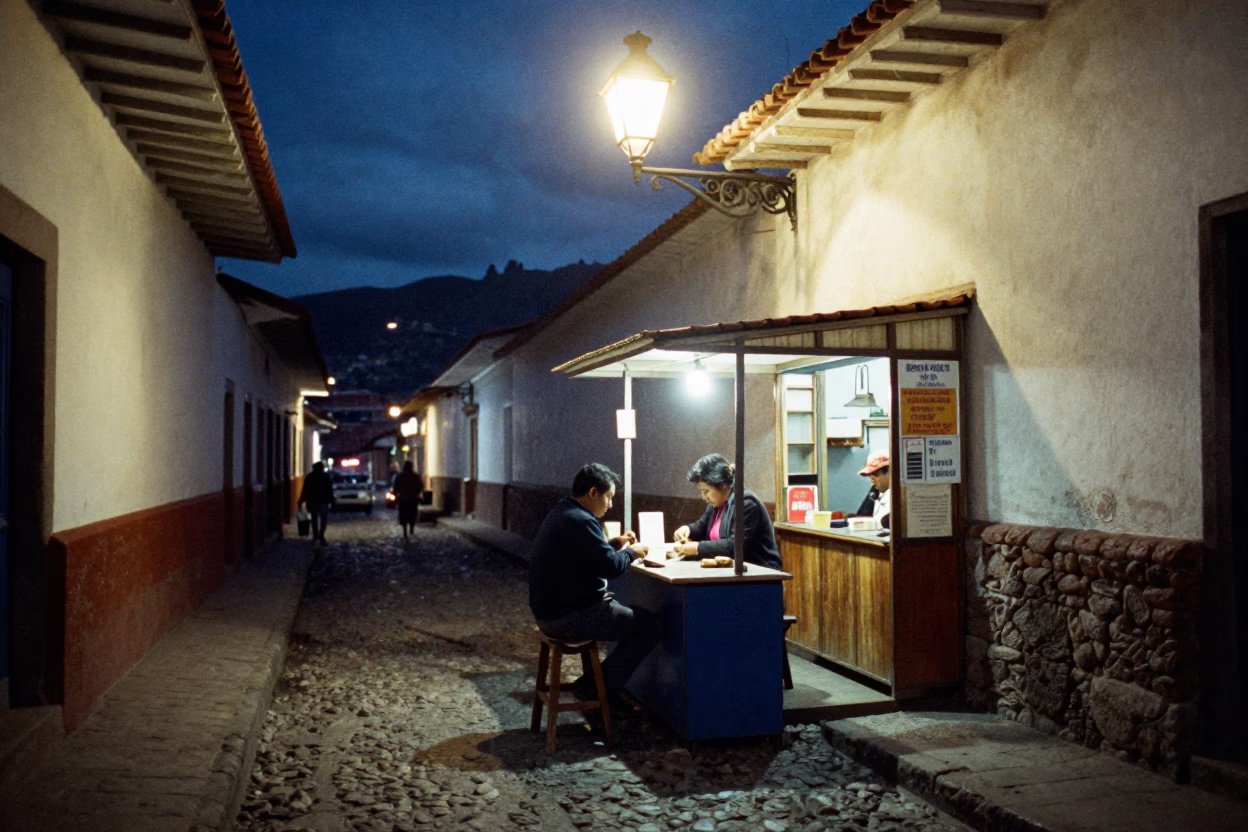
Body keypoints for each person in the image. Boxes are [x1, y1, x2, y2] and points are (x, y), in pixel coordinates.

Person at [528, 462, 659, 711]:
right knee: (649, 626)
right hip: (570, 615)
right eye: (608, 497)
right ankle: (599, 689)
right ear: (593, 493)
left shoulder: (564, 512)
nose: (610, 505)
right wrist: (632, 553)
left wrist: (614, 543)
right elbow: (609, 568)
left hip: (550, 613)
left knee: (634, 619)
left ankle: (594, 684)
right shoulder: (581, 520)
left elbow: (587, 555)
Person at [671, 453, 782, 570]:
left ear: (723, 485)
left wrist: (697, 547)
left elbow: (735, 545)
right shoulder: (716, 503)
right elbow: (701, 526)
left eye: (706, 491)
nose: (704, 497)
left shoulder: (746, 503)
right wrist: (687, 530)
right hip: (732, 570)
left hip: (761, 572)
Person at [298, 461, 334, 544]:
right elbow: (330, 490)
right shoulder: (325, 476)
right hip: (323, 501)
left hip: (313, 501)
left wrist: (301, 500)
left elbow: (305, 490)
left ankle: (316, 535)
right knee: (323, 519)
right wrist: (331, 500)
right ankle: (320, 535)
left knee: (314, 519)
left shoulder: (310, 477)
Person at [855, 451, 891, 530]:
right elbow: (861, 517)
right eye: (869, 475)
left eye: (875, 473)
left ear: (889, 471)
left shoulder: (902, 495)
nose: (871, 479)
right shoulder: (875, 491)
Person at [393, 460, 424, 539]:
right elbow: (420, 486)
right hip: (413, 498)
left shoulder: (400, 476)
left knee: (403, 515)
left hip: (403, 498)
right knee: (412, 514)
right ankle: (411, 528)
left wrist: (396, 494)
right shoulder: (415, 476)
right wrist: (417, 493)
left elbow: (396, 487)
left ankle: (405, 531)